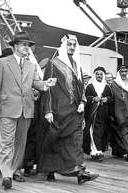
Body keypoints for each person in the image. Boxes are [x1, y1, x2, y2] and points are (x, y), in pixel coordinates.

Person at [0, 31, 56, 189]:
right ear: (15, 46)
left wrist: (46, 83)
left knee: (21, 143)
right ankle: (6, 174)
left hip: (26, 109)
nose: (27, 48)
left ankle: (14, 169)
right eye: (24, 45)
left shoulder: (31, 65)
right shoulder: (2, 63)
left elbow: (36, 84)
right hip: (7, 108)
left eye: (28, 45)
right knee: (7, 143)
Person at [37, 34, 99, 185]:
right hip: (58, 110)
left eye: (74, 45)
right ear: (64, 46)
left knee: (75, 142)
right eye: (69, 44)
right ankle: (50, 169)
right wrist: (48, 110)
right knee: (55, 142)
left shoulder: (77, 65)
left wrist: (83, 102)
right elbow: (49, 89)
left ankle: (80, 171)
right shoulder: (53, 63)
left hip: (74, 111)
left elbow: (81, 87)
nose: (72, 47)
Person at [83, 66, 113, 161]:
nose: (99, 76)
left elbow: (111, 98)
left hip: (103, 113)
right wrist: (93, 99)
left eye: (101, 74)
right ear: (94, 75)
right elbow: (86, 98)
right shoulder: (90, 86)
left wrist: (106, 99)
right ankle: (96, 151)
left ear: (103, 75)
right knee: (93, 131)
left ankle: (97, 151)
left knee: (101, 132)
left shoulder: (107, 87)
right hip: (92, 113)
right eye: (97, 74)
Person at [110, 65, 128, 161]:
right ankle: (125, 151)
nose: (124, 73)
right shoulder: (114, 84)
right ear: (119, 73)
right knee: (121, 133)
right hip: (119, 113)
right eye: (122, 72)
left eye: (125, 71)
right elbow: (112, 98)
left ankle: (127, 152)